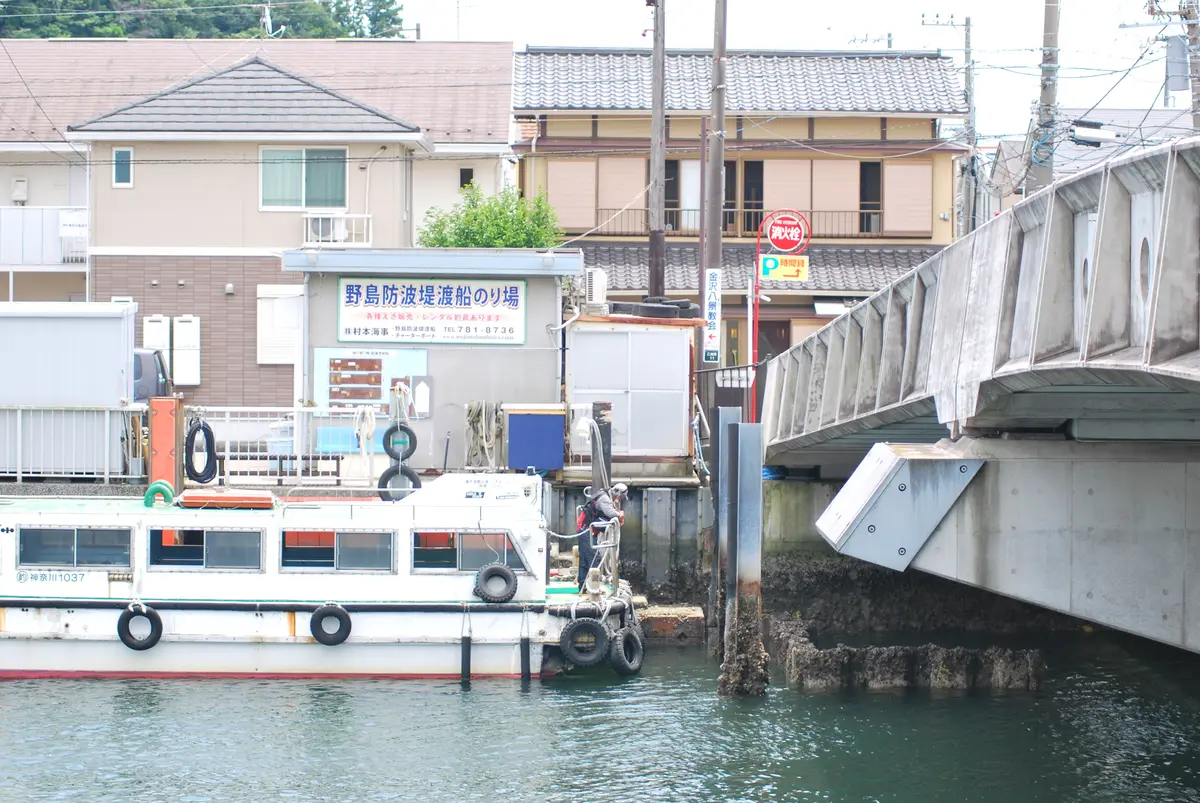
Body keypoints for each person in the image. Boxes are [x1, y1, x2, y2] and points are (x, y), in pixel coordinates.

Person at [575, 483, 626, 591]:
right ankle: (594, 588)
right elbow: (611, 513)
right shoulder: (605, 499)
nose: (620, 499)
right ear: (617, 494)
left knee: (584, 559)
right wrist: (620, 514)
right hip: (586, 530)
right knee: (594, 559)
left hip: (586, 529)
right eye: (621, 497)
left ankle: (583, 586)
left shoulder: (605, 496)